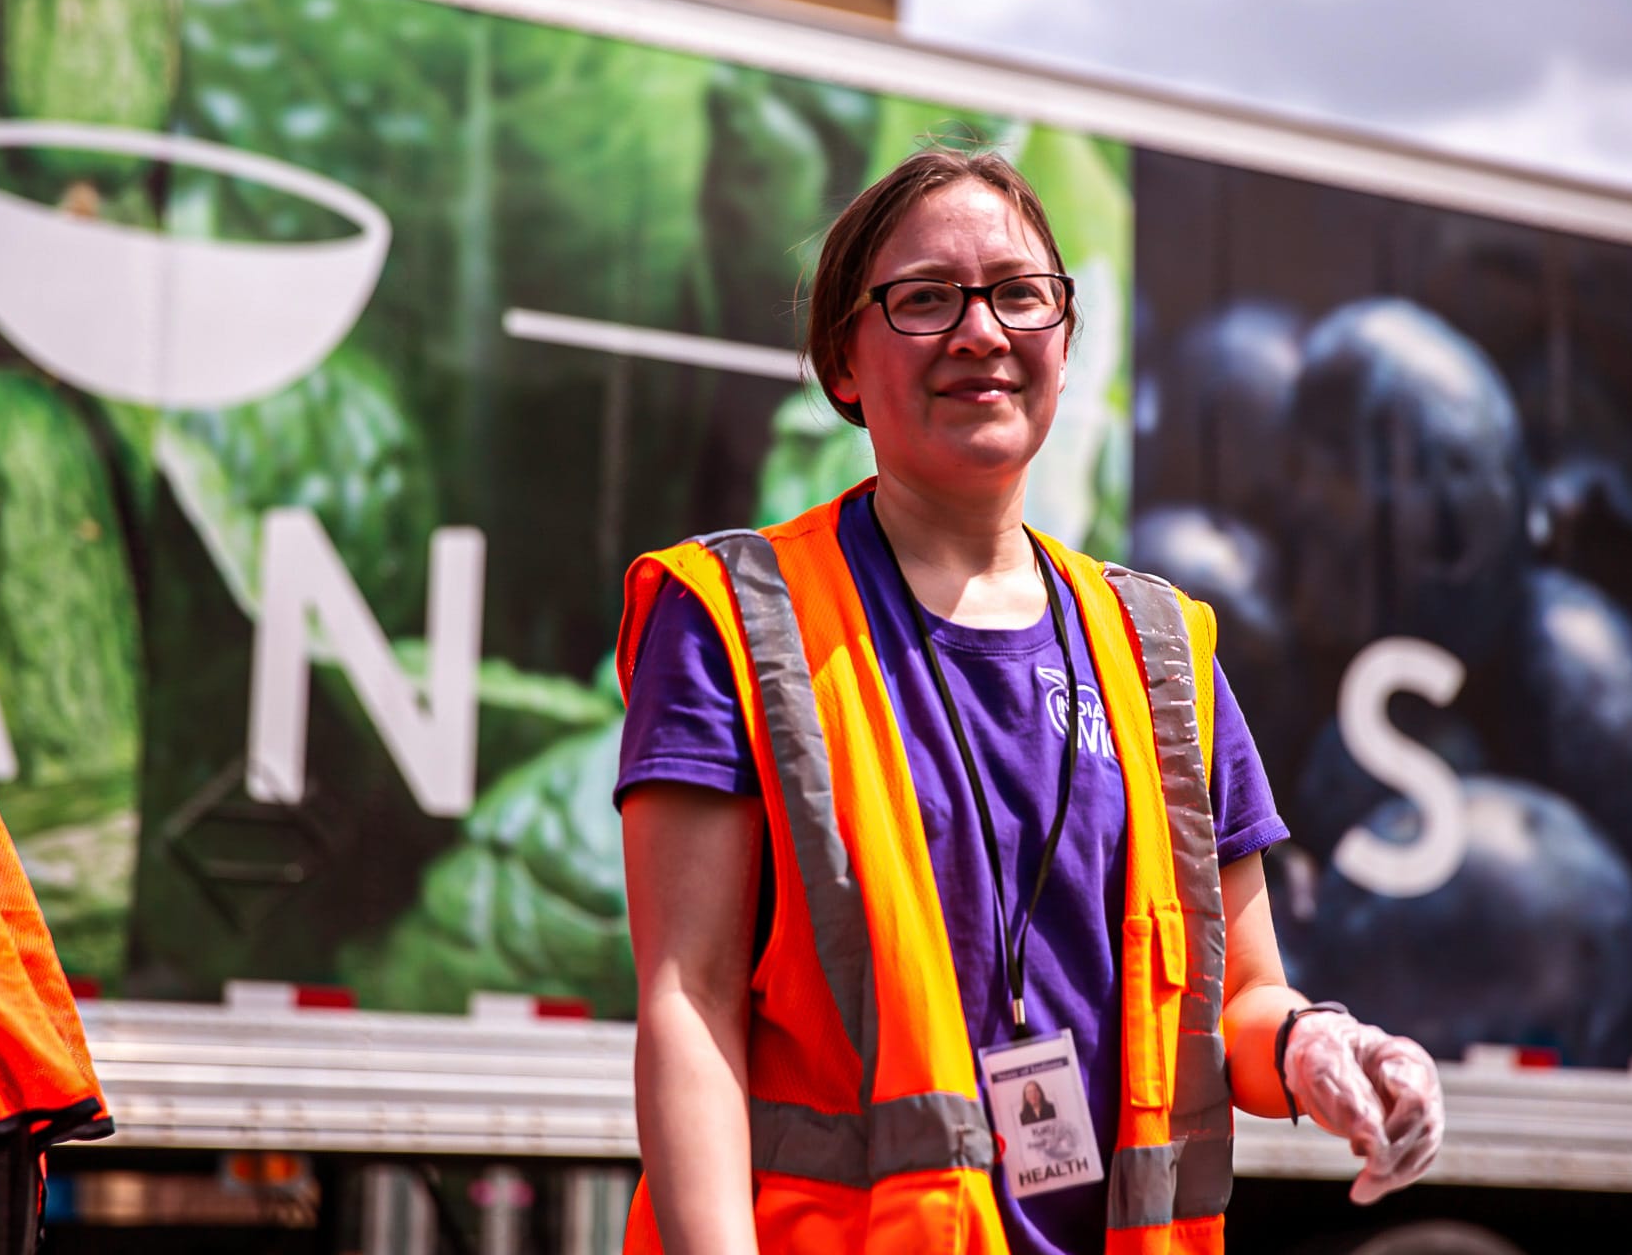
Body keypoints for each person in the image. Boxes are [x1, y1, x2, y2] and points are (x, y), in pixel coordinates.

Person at [614, 146, 1444, 1255]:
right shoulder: (734, 615)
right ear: (843, 363)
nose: (980, 331)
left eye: (1019, 292)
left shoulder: (1163, 651)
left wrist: (1316, 1045)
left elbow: (1241, 998)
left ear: (1064, 333)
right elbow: (690, 997)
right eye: (921, 300)